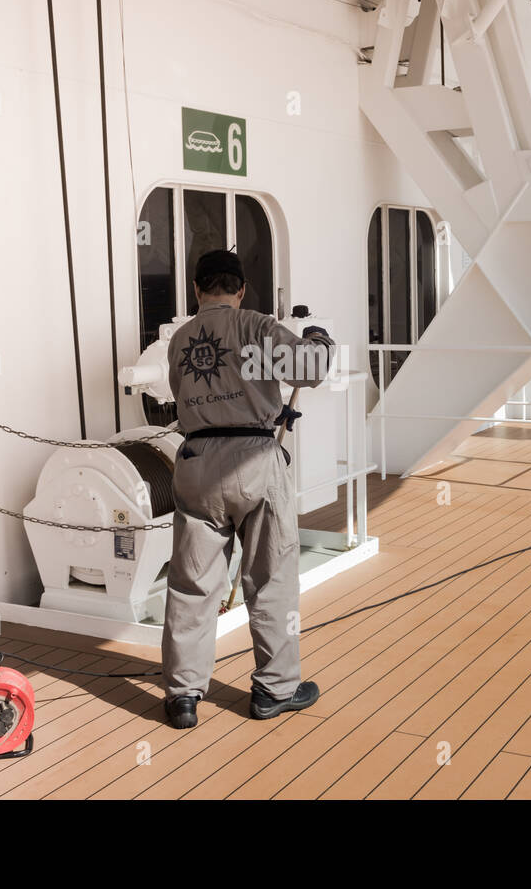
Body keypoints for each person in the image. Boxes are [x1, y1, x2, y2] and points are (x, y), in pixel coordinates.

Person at [162, 249, 335, 730]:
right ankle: (275, 690)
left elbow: (193, 394)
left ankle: (183, 694)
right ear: (240, 290)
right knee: (271, 577)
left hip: (196, 462)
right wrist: (317, 338)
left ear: (197, 290)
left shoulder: (179, 339)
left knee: (192, 582)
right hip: (255, 461)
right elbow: (310, 369)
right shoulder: (256, 327)